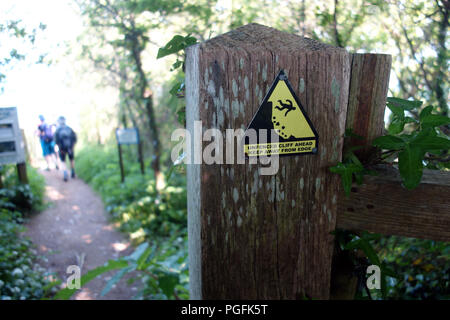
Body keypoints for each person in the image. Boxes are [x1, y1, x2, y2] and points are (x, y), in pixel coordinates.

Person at [54, 116, 77, 182]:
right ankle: (72, 172)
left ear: (59, 122)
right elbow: (74, 138)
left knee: (63, 161)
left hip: (62, 149)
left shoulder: (57, 130)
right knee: (71, 159)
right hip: (70, 147)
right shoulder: (69, 129)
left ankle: (65, 174)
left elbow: (56, 141)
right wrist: (72, 146)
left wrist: (58, 146)